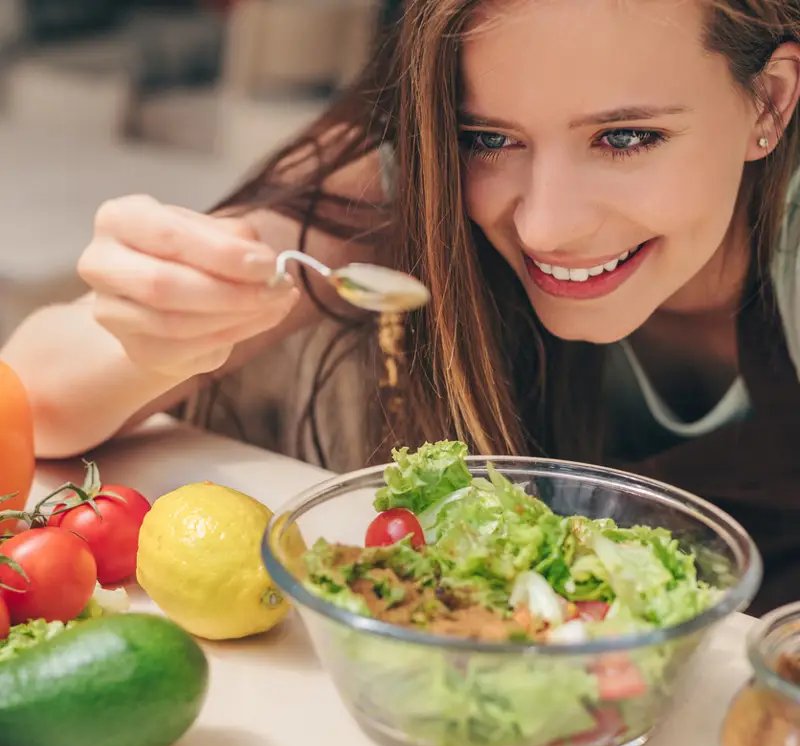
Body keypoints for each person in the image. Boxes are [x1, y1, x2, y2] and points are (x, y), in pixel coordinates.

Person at [4, 0, 800, 612]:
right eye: (488, 139)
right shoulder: (413, 167)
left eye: (625, 138)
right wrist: (153, 329)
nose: (544, 225)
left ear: (768, 101)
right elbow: (36, 396)